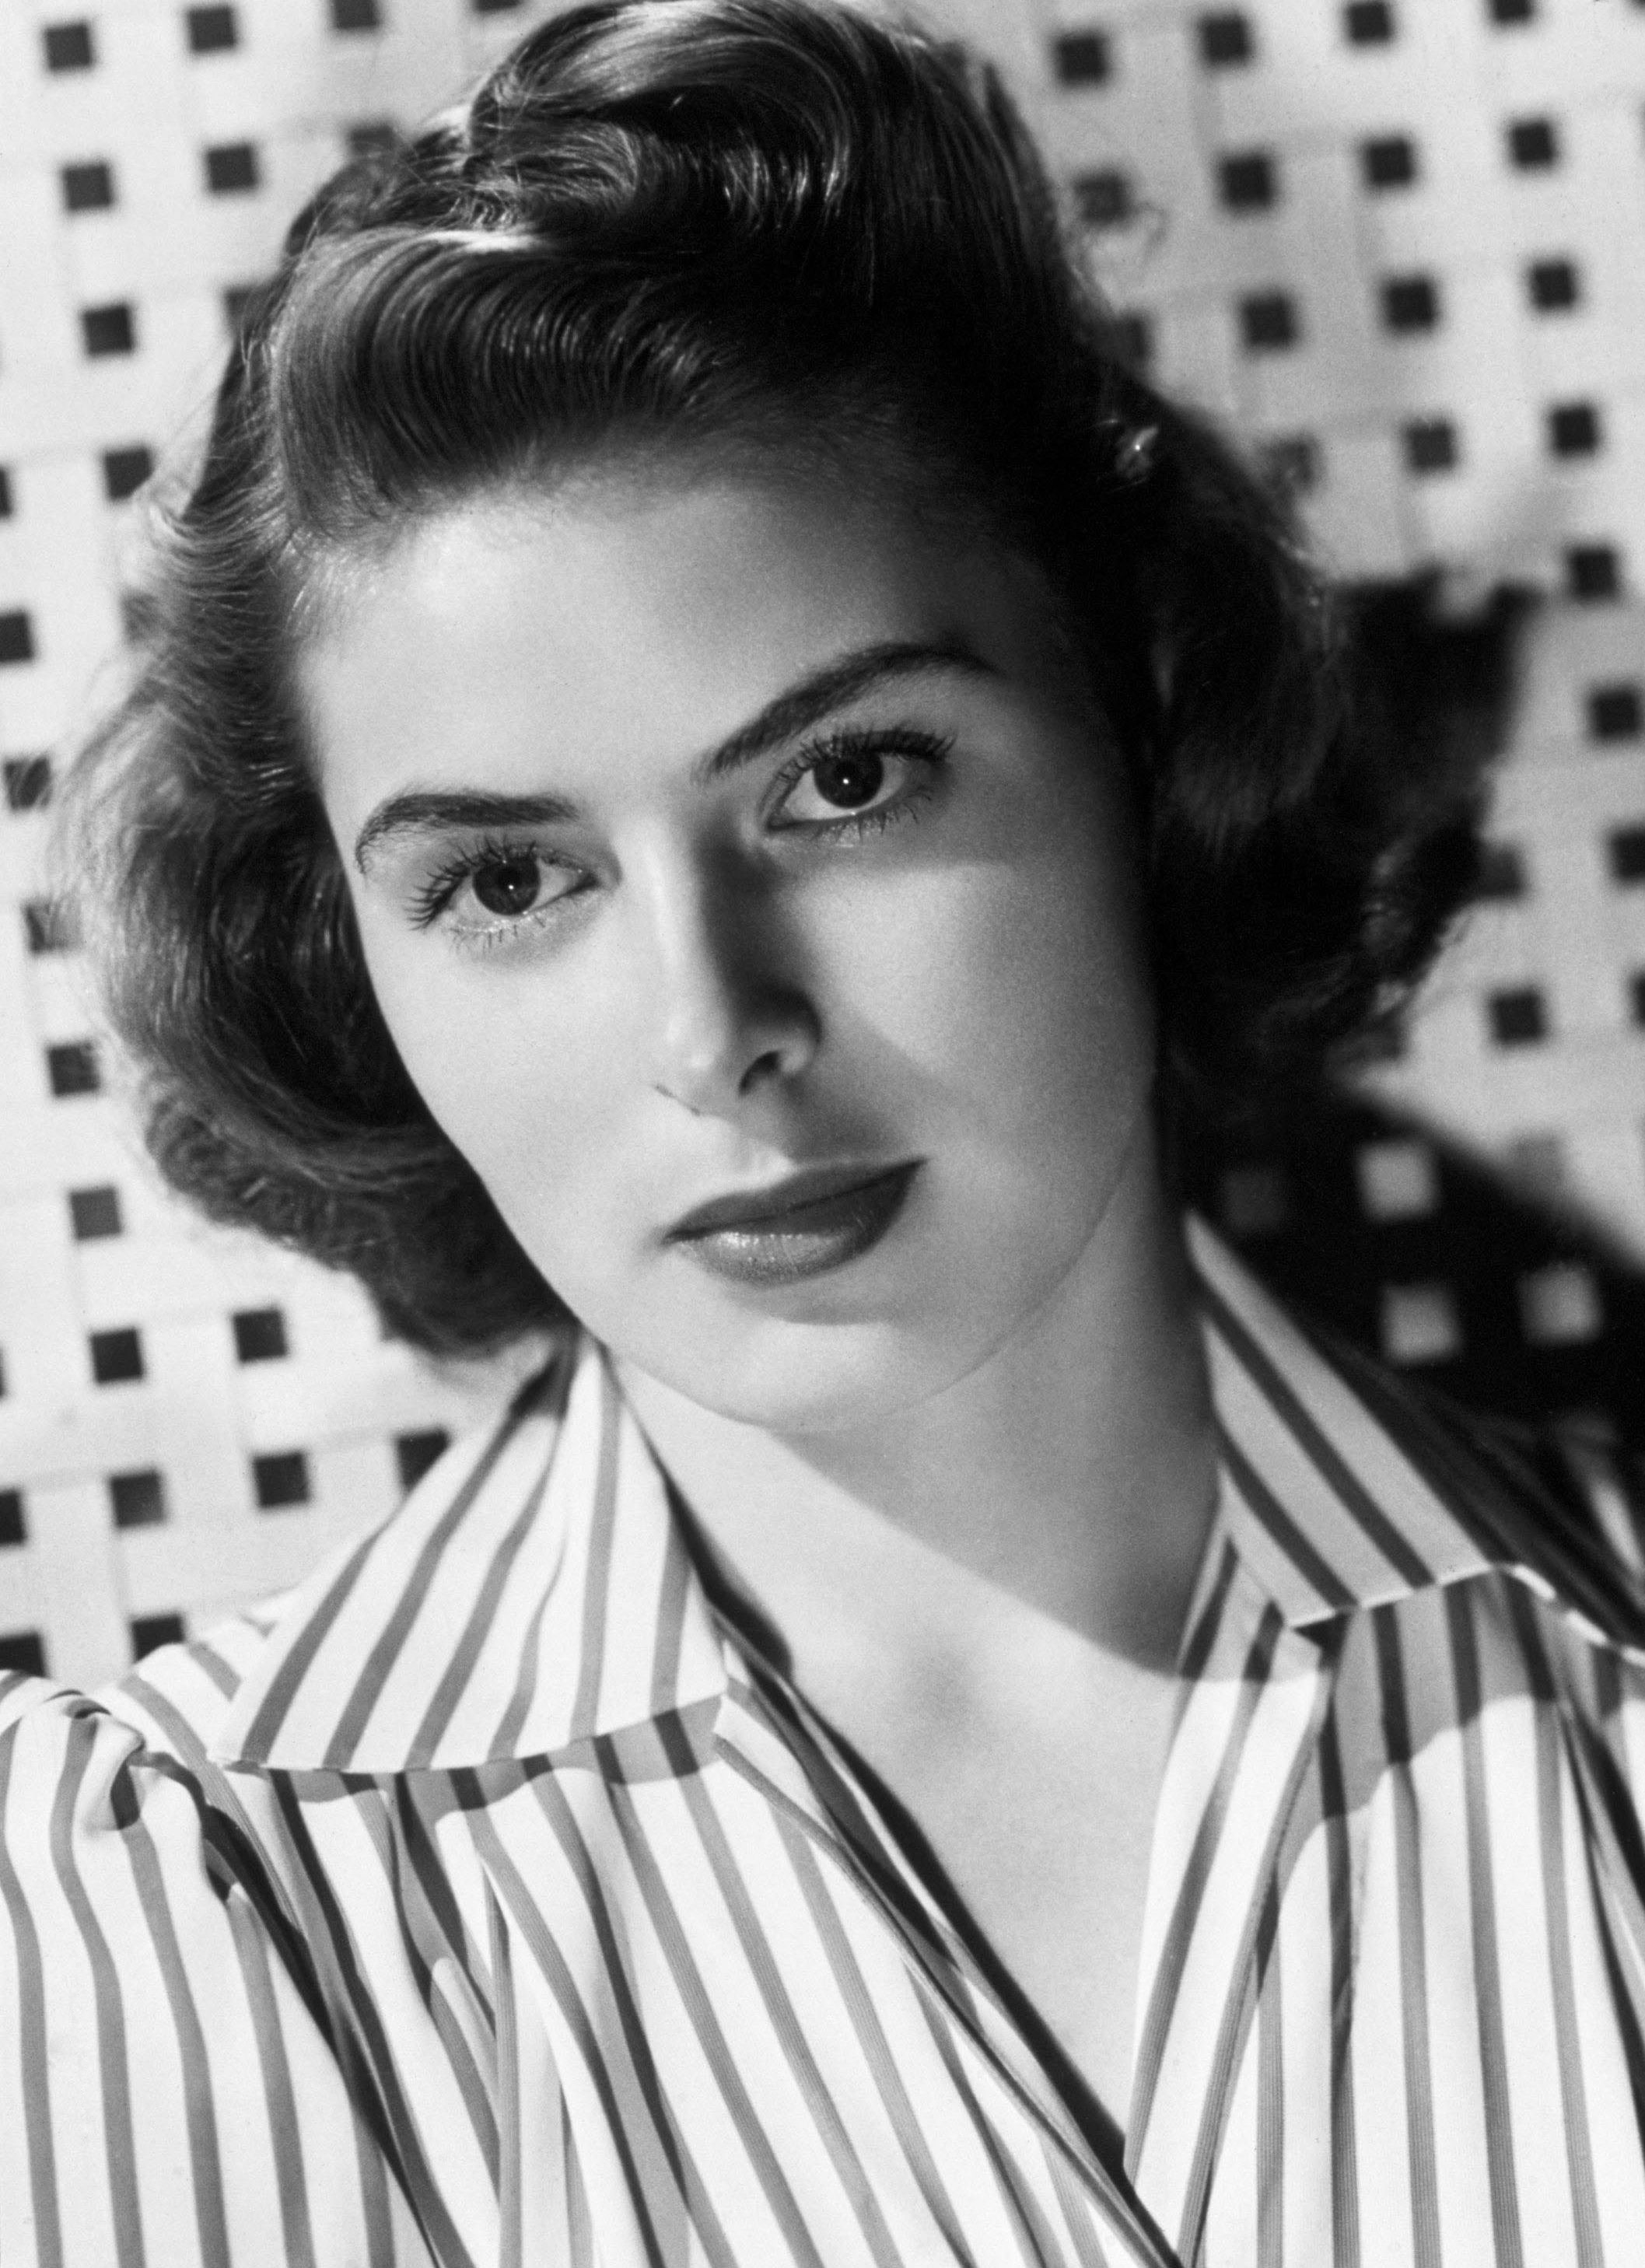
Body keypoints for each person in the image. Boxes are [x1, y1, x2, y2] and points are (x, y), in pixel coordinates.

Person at [5, 2, 1643, 2262]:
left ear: (1141, 720)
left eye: (846, 780)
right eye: (509, 881)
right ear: (346, 957)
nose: (716, 1033)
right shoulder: (171, 1906)